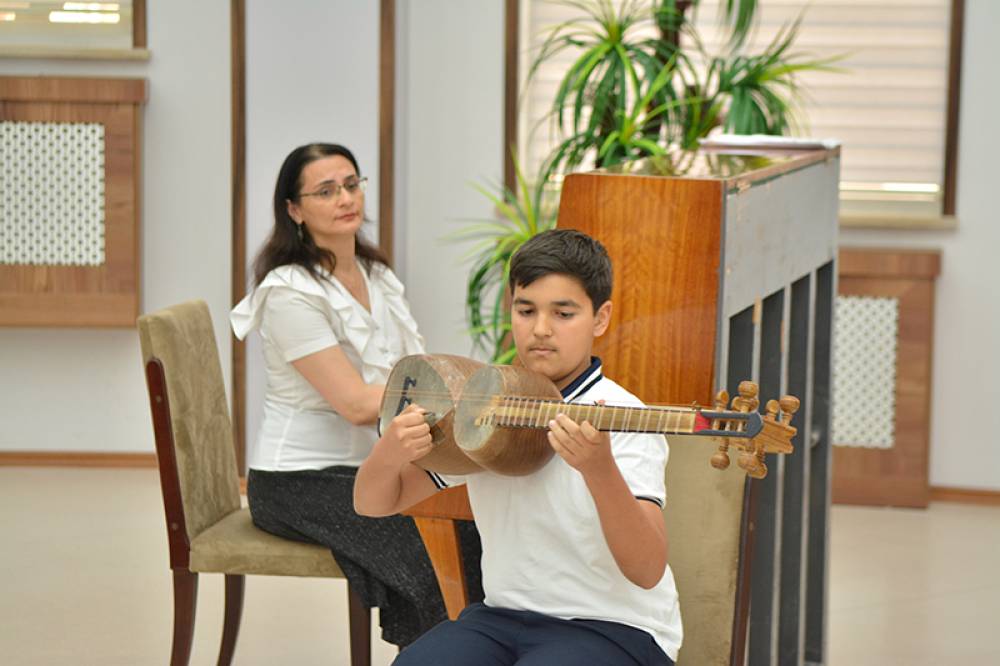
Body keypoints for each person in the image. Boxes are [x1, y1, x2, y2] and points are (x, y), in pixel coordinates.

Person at [355, 228, 683, 665]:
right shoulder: (484, 401)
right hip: (501, 619)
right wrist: (390, 451)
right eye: (526, 311)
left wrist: (599, 470)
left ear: (600, 319)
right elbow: (374, 503)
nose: (541, 330)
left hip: (617, 628)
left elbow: (646, 570)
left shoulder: (622, 415)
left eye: (564, 314)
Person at [230, 142, 481, 647]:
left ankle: (468, 651)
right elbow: (357, 405)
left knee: (468, 520)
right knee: (423, 542)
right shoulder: (289, 293)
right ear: (295, 210)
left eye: (351, 184)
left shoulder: (376, 275)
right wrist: (460, 400)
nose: (345, 198)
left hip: (370, 465)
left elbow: (416, 372)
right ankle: (440, 655)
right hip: (294, 480)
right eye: (326, 190)